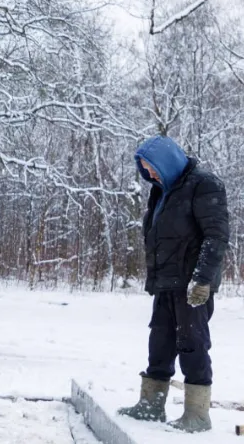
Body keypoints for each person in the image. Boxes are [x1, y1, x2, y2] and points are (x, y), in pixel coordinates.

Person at [118, 136, 228, 433]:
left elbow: (216, 236)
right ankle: (152, 404)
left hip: (192, 284)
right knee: (160, 341)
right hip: (167, 282)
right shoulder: (161, 192)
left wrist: (202, 279)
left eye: (151, 168)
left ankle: (197, 414)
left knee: (192, 343)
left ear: (166, 161)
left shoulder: (204, 184)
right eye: (145, 169)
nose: (150, 174)